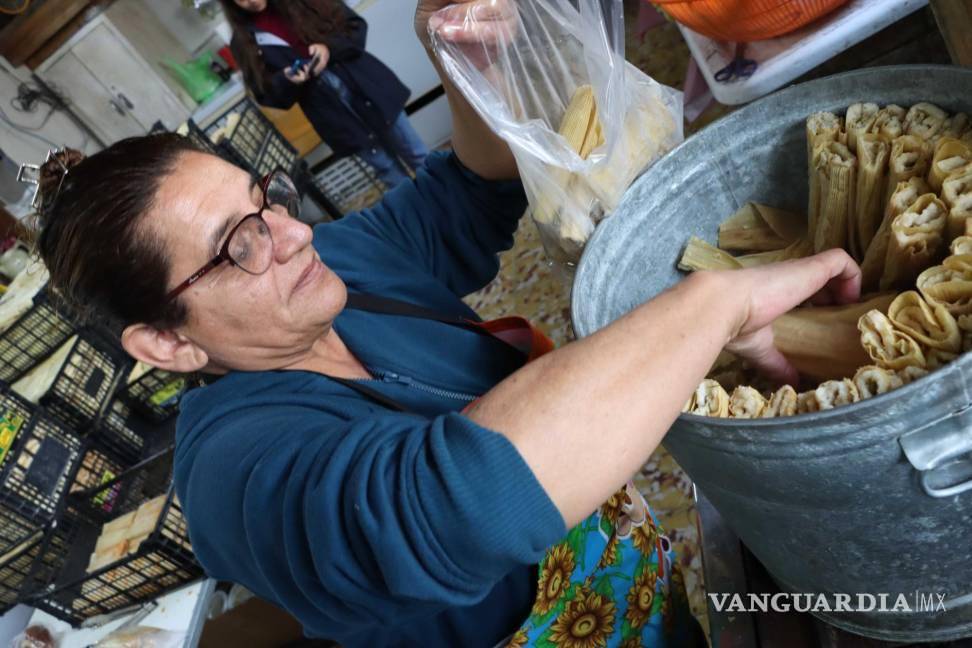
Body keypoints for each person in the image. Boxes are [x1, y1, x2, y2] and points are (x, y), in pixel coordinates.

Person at [31, 1, 861, 645]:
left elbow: (470, 187)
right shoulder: (235, 480)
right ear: (168, 343)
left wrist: (458, 55)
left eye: (266, 198)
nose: (293, 233)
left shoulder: (337, 267)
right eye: (239, 244)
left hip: (640, 590)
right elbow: (452, 504)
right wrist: (714, 301)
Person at [220, 0, 429, 189]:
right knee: (389, 172)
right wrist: (286, 80)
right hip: (333, 116)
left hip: (368, 89)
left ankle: (455, 200)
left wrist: (328, 48)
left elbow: (355, 27)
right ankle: (428, 224)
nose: (251, 1)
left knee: (417, 153)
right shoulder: (243, 41)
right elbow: (265, 94)